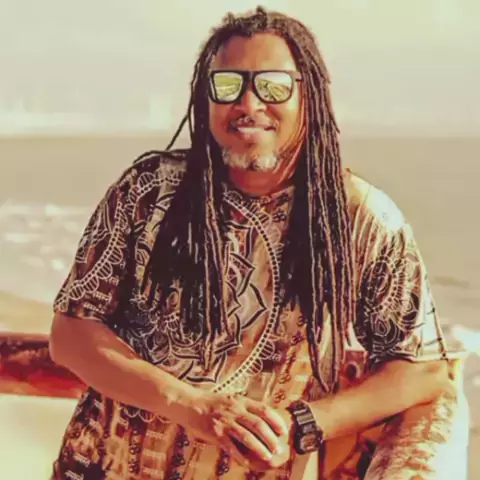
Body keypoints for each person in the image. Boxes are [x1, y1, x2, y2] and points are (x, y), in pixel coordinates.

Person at [48, 7, 466, 479]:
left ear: (309, 97)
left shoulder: (359, 221)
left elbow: (420, 369)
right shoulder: (149, 192)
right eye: (228, 85)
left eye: (273, 86)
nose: (248, 103)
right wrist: (193, 406)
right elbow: (70, 333)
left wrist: (304, 424)